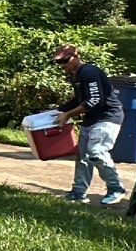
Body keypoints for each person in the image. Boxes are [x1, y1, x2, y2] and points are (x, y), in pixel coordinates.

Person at [53, 45, 126, 205]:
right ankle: (79, 192)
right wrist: (58, 111)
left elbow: (95, 101)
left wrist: (67, 115)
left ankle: (116, 188)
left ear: (76, 56)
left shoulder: (89, 72)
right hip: (91, 119)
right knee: (83, 156)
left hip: (108, 117)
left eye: (66, 60)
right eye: (59, 62)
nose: (63, 65)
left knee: (96, 152)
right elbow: (79, 99)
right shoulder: (75, 75)